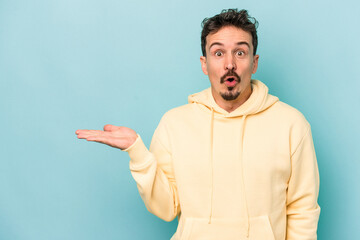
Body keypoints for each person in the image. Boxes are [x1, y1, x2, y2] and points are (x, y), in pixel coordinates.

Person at [76, 9, 320, 240]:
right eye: (218, 53)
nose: (229, 64)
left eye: (240, 52)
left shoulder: (291, 124)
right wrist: (137, 151)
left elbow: (303, 211)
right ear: (204, 64)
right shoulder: (175, 124)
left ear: (254, 63)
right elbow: (166, 207)